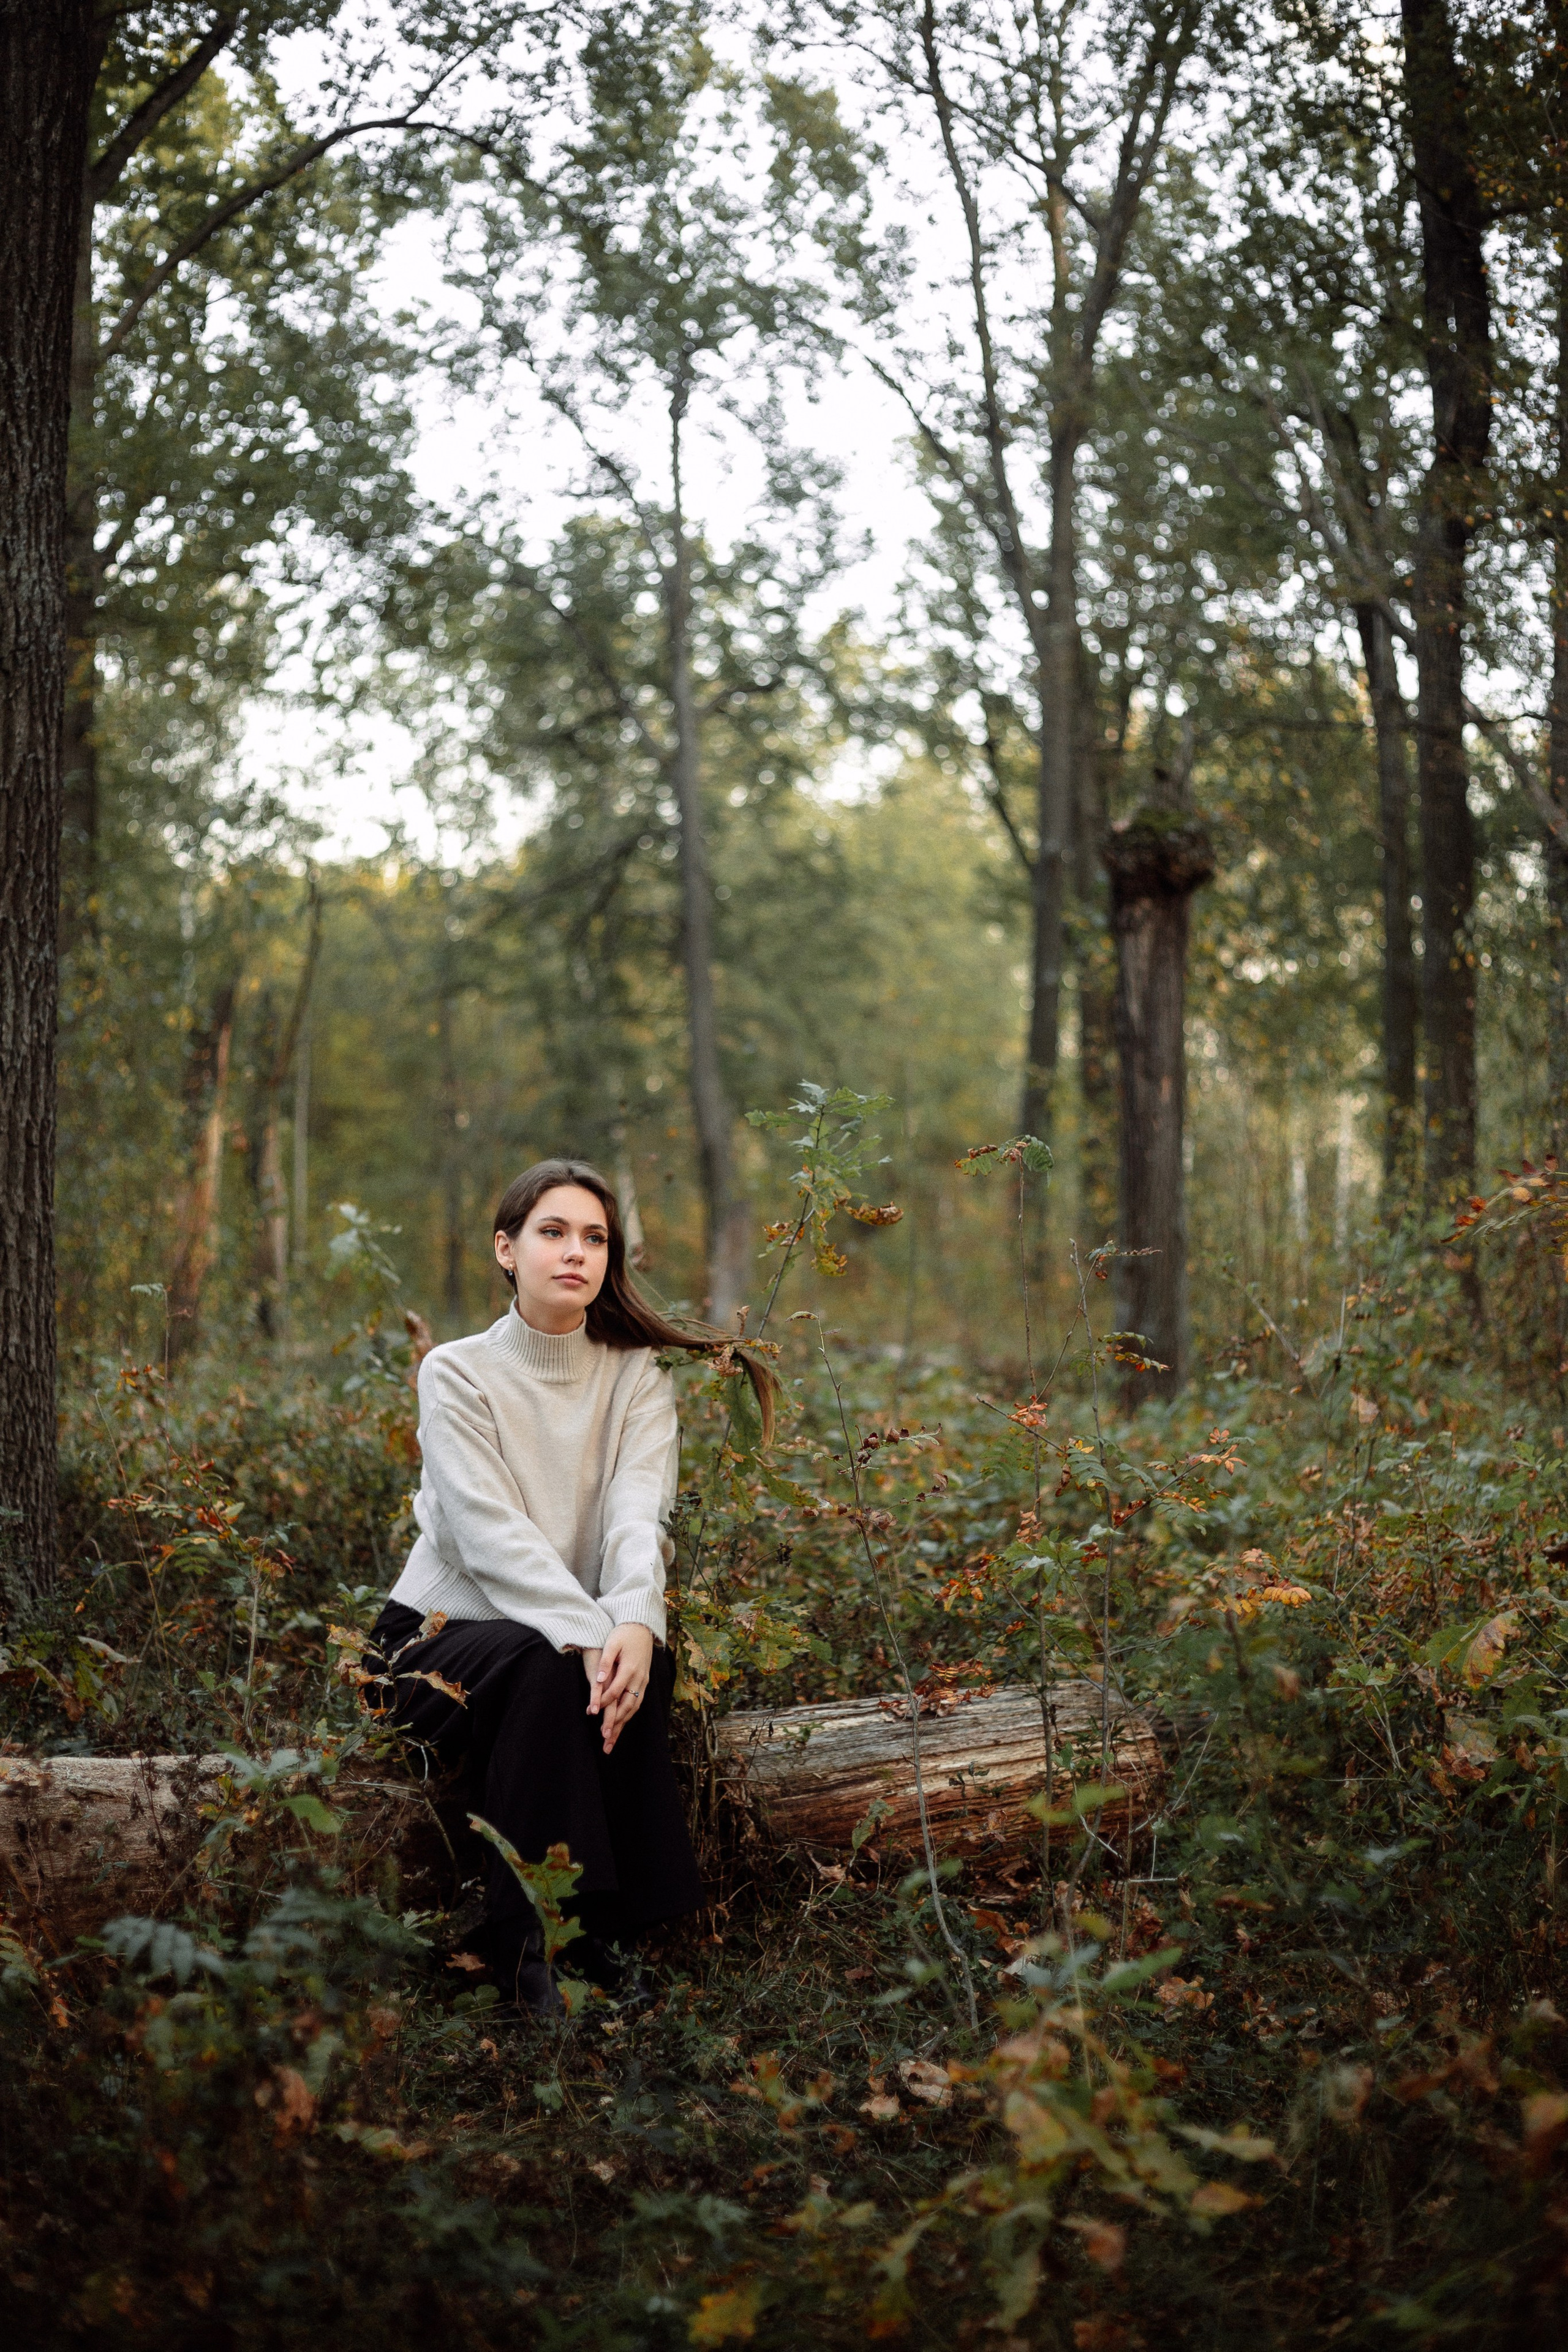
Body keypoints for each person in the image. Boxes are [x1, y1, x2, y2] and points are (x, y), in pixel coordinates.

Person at [366, 1158, 775, 2016]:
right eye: (552, 1232)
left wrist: (631, 1622)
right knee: (556, 1663)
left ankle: (607, 1931)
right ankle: (535, 1948)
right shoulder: (457, 1371)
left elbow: (636, 1518)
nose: (575, 1252)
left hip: (550, 1639)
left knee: (636, 1667)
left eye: (594, 1237)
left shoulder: (635, 1378)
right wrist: (586, 1631)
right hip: (432, 1641)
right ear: (506, 1250)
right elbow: (486, 1537)